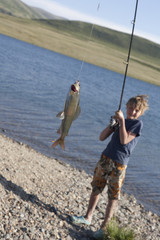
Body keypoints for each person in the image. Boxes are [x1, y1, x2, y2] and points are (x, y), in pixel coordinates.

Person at [70, 95, 149, 239]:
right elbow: (101, 137)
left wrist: (122, 121)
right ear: (126, 107)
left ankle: (104, 228)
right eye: (131, 108)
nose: (133, 111)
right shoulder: (121, 122)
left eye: (137, 110)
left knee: (113, 196)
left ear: (141, 112)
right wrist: (113, 124)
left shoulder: (138, 124)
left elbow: (124, 140)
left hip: (119, 164)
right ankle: (87, 217)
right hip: (105, 158)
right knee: (96, 188)